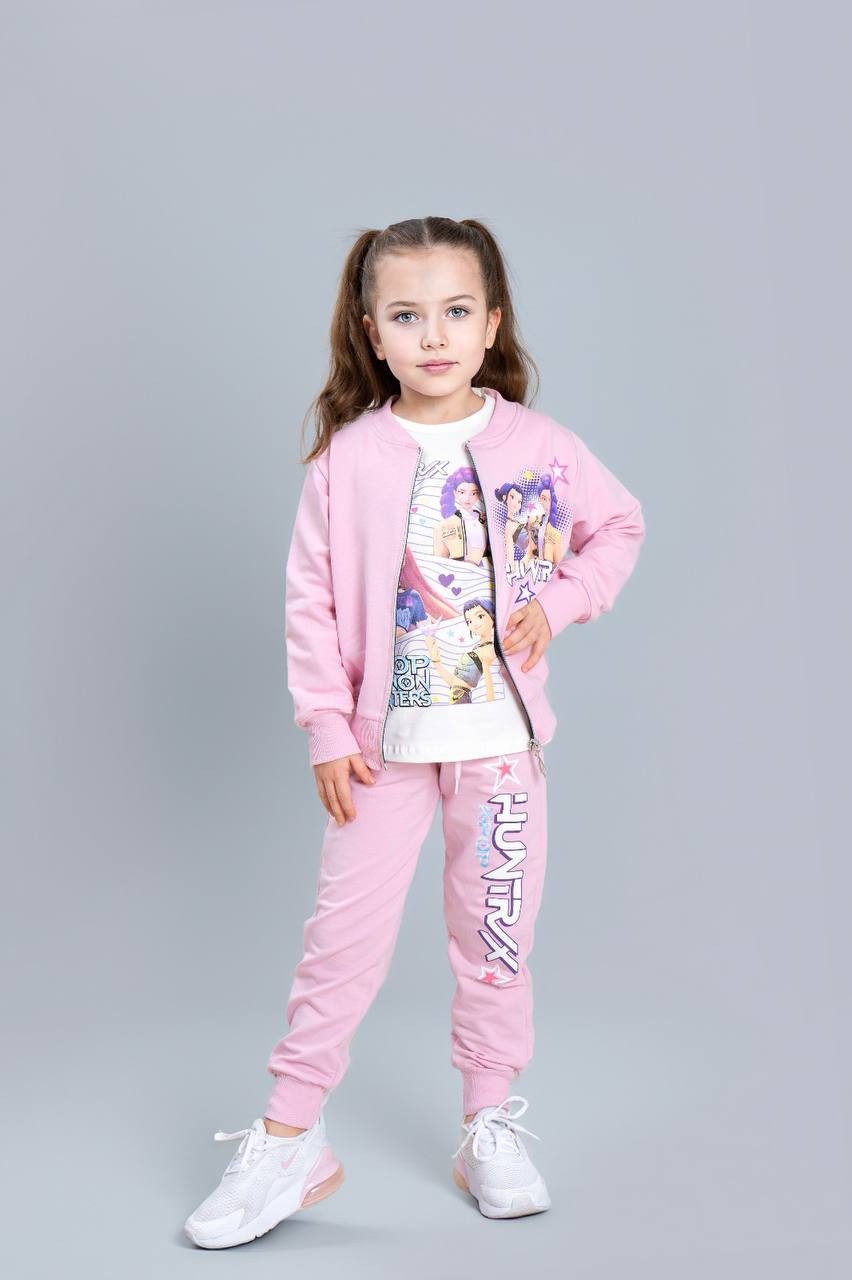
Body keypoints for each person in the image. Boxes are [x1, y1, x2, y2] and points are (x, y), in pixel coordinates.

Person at [184, 216, 646, 1248]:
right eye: (406, 315)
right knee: (340, 944)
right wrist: (323, 726)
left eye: (454, 311)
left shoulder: (541, 446)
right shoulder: (347, 460)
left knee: (495, 943)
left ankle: (489, 1123)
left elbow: (619, 526)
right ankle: (289, 1137)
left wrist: (562, 600)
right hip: (378, 751)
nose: (432, 335)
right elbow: (309, 601)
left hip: (500, 746)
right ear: (372, 332)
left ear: (491, 324)